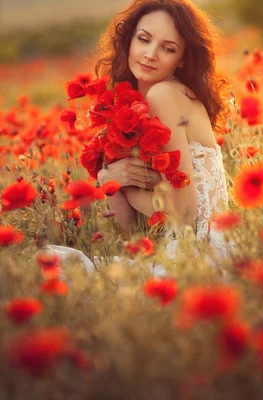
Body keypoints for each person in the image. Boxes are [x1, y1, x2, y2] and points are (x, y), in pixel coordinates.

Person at [41, 0, 231, 279]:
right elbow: (129, 227)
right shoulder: (130, 104)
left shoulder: (164, 95)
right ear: (129, 40)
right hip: (177, 248)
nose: (151, 54)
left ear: (181, 59)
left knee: (54, 268)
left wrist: (122, 184)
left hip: (198, 254)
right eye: (144, 39)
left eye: (168, 48)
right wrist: (109, 179)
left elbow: (185, 214)